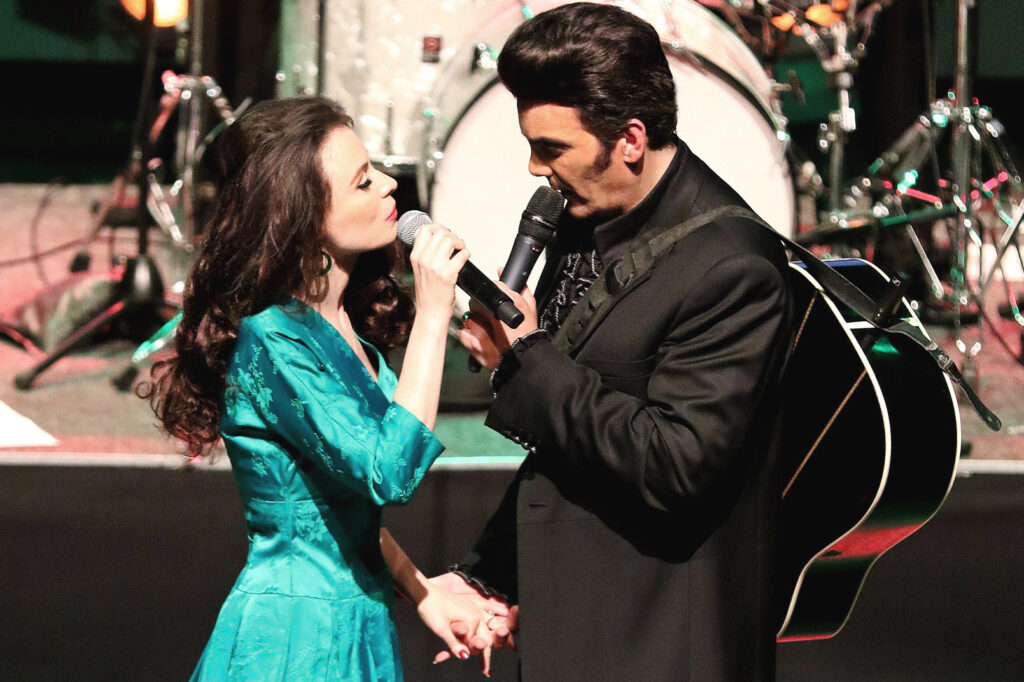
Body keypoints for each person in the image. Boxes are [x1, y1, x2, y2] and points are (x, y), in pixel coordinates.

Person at [444, 3, 795, 679]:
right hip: (579, 624)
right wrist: (487, 575)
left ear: (630, 139)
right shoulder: (588, 218)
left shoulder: (732, 268)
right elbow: (570, 445)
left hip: (661, 646)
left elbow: (673, 465)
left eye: (551, 148)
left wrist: (523, 356)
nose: (534, 168)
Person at [141, 96, 507, 680]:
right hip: (294, 640)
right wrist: (435, 310)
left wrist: (424, 594)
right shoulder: (274, 340)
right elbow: (391, 472)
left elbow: (342, 515)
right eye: (363, 182)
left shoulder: (343, 331)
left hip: (357, 625)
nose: (389, 184)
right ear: (303, 217)